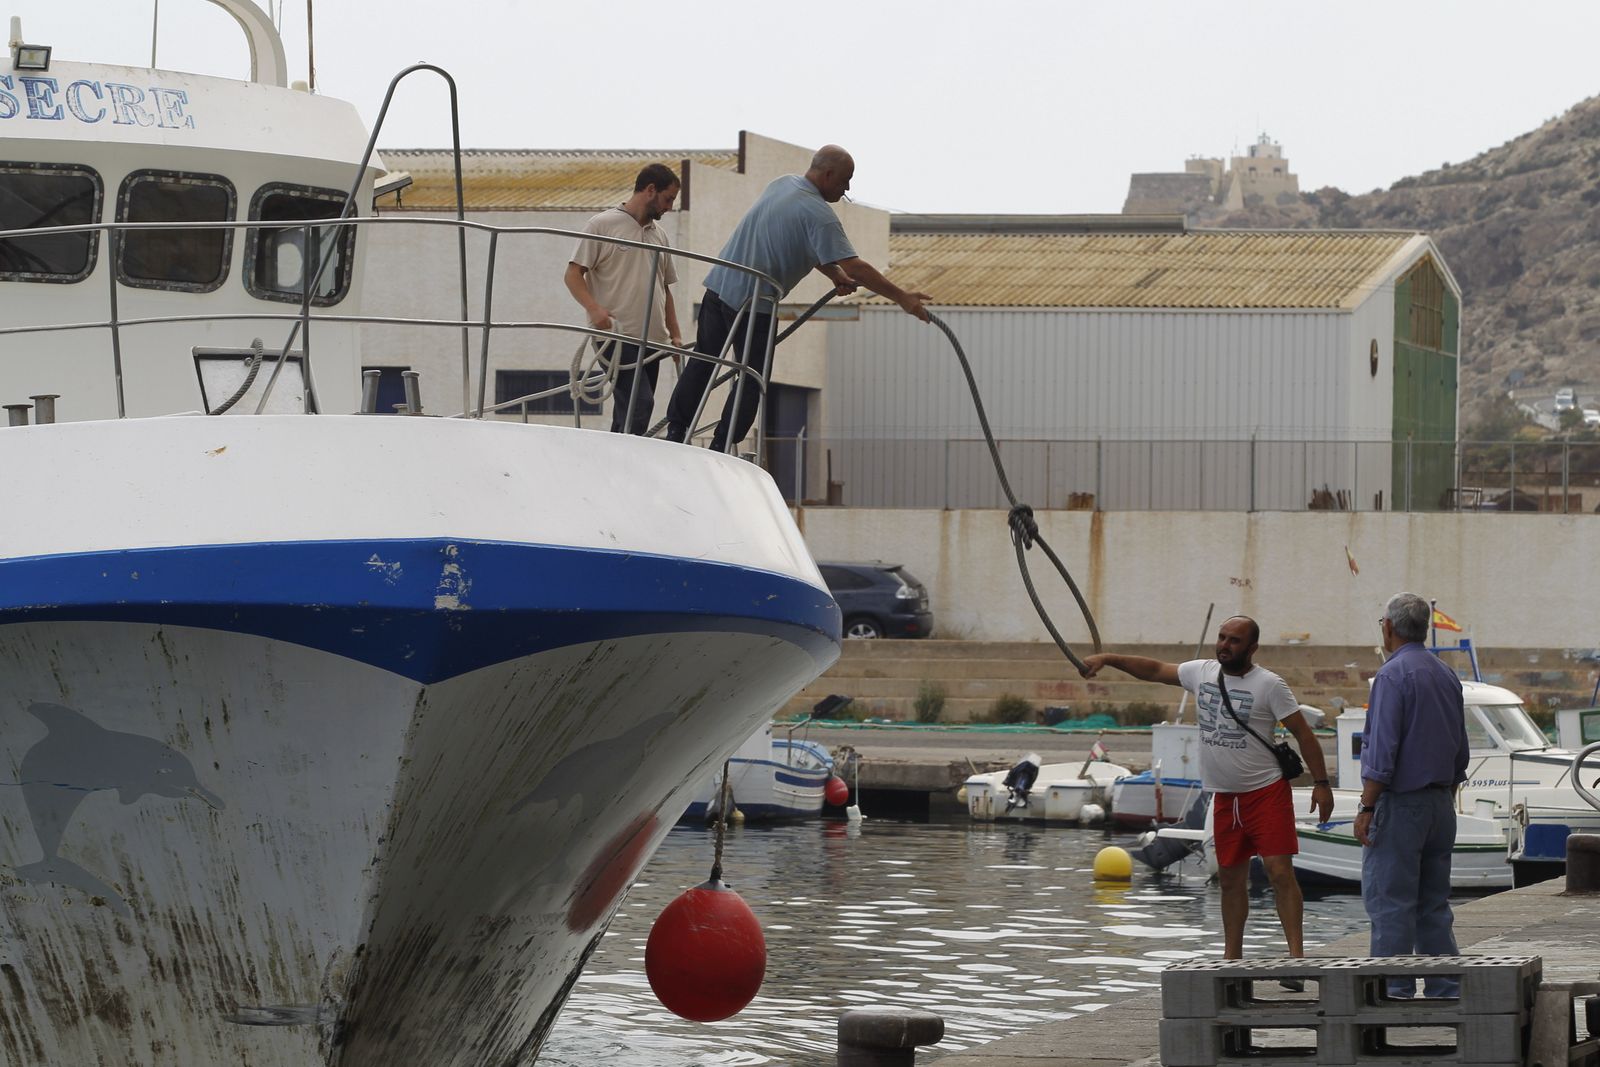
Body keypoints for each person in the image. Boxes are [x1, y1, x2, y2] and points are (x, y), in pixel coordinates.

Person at [1079, 616, 1334, 964]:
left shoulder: (1270, 685)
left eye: (1235, 640)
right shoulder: (1201, 672)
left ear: (1252, 648)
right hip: (1225, 797)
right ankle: (1232, 958)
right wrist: (1108, 659)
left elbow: (1305, 734)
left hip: (1266, 793)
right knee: (1230, 878)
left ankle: (1296, 956)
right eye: (1222, 638)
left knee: (1278, 871)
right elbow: (1153, 670)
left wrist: (1321, 785)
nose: (1225, 645)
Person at [663, 144, 931, 452]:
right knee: (751, 376)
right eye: (846, 180)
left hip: (719, 288)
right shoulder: (821, 215)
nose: (847, 188)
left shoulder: (782, 183)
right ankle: (722, 444)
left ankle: (676, 429)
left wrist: (832, 273)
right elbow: (856, 266)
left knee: (704, 363)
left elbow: (792, 238)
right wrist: (903, 298)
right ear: (828, 175)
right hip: (754, 305)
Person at [1354, 592, 1469, 998]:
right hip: (1441, 802)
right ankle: (1445, 987)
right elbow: (1461, 748)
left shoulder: (1391, 675)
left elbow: (1382, 751)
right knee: (1434, 904)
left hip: (1401, 804)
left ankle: (1393, 990)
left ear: (1388, 627)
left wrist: (1367, 806)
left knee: (1390, 903)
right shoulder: (1446, 674)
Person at [564, 163, 684, 435]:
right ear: (650, 190)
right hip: (616, 335)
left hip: (653, 339)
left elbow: (665, 289)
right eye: (668, 199)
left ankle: (614, 463)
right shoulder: (602, 224)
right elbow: (572, 274)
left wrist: (675, 335)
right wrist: (594, 310)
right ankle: (626, 463)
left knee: (631, 409)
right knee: (639, 404)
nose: (669, 207)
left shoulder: (659, 235)